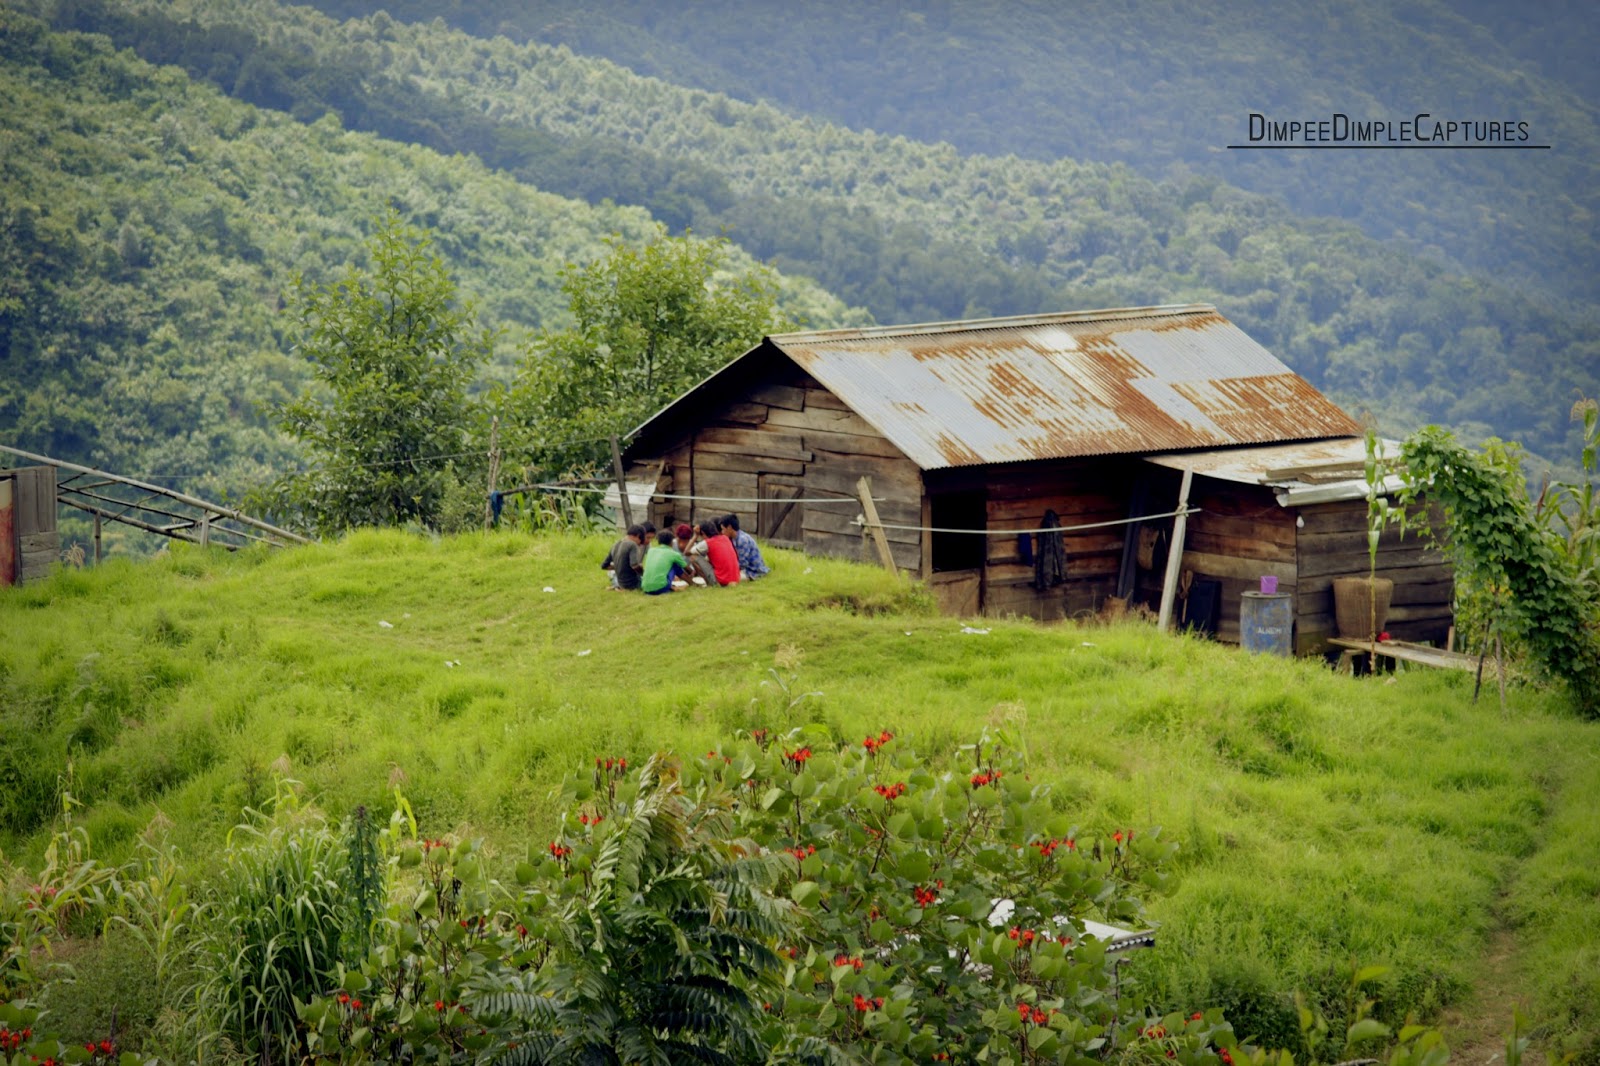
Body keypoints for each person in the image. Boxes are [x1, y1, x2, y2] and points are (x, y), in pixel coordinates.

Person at [719, 513, 769, 580]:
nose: (722, 532)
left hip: (753, 571)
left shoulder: (742, 540)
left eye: (723, 529)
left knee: (728, 578)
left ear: (729, 527)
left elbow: (743, 564)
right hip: (745, 569)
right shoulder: (733, 538)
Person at [641, 529, 690, 595]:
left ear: (658, 541)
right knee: (675, 565)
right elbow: (687, 568)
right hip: (661, 588)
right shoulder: (673, 553)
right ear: (671, 542)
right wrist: (692, 572)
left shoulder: (651, 551)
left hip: (645, 588)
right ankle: (692, 583)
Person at [602, 524, 646, 591]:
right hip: (633, 584)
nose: (639, 545)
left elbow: (604, 566)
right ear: (638, 535)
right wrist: (644, 573)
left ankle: (617, 586)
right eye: (640, 542)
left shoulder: (615, 545)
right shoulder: (632, 545)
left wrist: (619, 566)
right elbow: (634, 565)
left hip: (621, 583)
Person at [700, 519, 741, 586]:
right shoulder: (726, 539)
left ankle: (710, 583)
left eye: (723, 529)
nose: (722, 532)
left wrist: (695, 536)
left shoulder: (711, 541)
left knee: (694, 557)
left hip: (725, 578)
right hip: (736, 577)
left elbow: (689, 552)